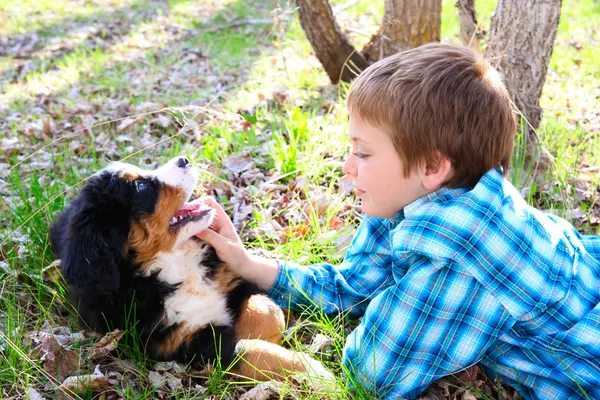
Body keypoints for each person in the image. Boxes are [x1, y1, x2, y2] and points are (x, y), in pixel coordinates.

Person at [196, 43, 600, 399]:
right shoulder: (414, 195)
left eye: (364, 153)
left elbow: (372, 377)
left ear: (431, 165)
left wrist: (258, 358)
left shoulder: (452, 259)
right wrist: (248, 265)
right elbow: (355, 286)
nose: (347, 166)